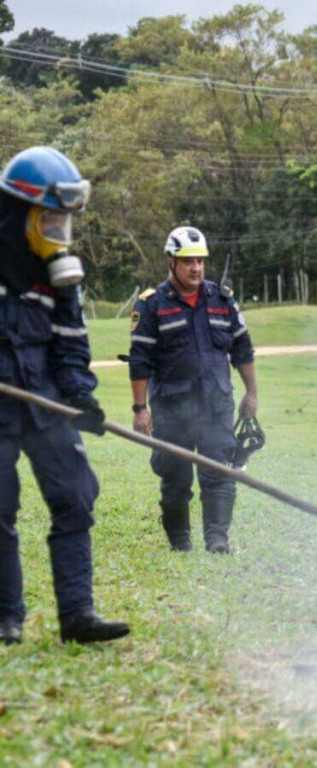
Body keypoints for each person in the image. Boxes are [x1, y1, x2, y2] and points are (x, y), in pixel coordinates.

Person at [0, 146, 128, 644]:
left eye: (64, 221)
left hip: (47, 403)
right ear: (20, 212)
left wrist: (82, 398)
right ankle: (7, 618)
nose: (59, 231)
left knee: (75, 498)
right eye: (50, 219)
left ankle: (77, 615)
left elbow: (72, 347)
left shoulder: (59, 279)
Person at [128, 226, 257, 554]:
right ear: (171, 262)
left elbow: (242, 348)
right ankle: (180, 543)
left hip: (216, 404)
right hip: (172, 409)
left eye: (200, 260)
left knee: (219, 471)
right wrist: (139, 409)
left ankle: (217, 540)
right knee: (175, 477)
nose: (196, 267)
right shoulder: (151, 305)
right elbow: (139, 359)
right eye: (188, 261)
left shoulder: (222, 300)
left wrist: (251, 393)